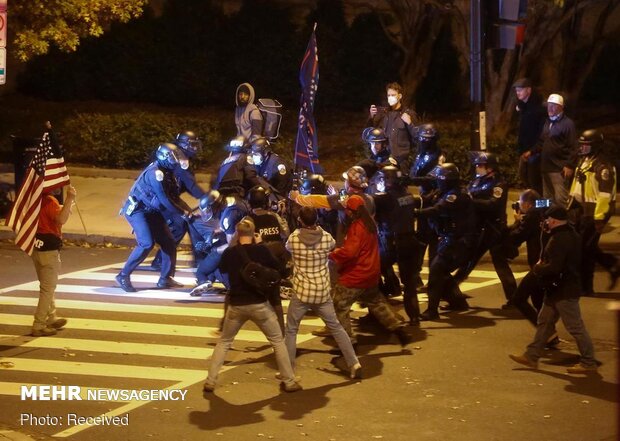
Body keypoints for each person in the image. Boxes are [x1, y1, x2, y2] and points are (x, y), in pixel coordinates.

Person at [203, 220, 302, 393]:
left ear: (236, 233)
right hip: (259, 304)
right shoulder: (261, 250)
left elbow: (223, 270)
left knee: (225, 342)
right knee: (277, 341)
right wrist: (261, 244)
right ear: (254, 232)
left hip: (236, 305)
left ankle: (211, 380)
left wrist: (234, 243)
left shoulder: (230, 252)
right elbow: (279, 267)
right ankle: (289, 381)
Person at [509, 205, 598, 374]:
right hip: (558, 289)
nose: (545, 223)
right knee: (544, 322)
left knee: (575, 327)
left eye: (547, 220)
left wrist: (538, 269)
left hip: (564, 291)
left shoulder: (559, 239)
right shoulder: (570, 233)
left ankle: (588, 361)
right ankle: (531, 356)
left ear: (554, 221)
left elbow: (554, 267)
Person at [284, 207, 362, 379]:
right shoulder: (327, 238)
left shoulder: (294, 239)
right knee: (336, 327)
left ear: (301, 221)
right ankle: (354, 362)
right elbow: (334, 246)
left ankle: (288, 370)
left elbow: (287, 248)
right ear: (316, 219)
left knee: (291, 330)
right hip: (322, 291)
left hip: (302, 292)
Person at [329, 195, 412, 347]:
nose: (346, 212)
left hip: (356, 275)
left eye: (347, 209)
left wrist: (333, 254)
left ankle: (348, 343)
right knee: (377, 304)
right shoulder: (370, 224)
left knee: (338, 306)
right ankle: (399, 330)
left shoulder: (356, 228)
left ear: (352, 211)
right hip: (371, 274)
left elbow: (350, 252)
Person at [116, 143, 190, 292]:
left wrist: (187, 210)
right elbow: (164, 200)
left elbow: (173, 196)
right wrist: (182, 213)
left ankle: (165, 278)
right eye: (172, 157)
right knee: (146, 243)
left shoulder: (168, 172)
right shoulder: (155, 173)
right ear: (163, 157)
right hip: (138, 210)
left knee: (168, 242)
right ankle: (123, 275)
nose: (175, 161)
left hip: (152, 210)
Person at [413, 164, 475, 320]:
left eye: (439, 179)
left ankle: (432, 311)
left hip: (457, 242)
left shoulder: (455, 196)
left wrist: (415, 213)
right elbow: (427, 200)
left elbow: (437, 210)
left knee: (436, 271)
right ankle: (458, 302)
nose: (437, 182)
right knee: (443, 272)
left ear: (446, 180)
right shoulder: (446, 192)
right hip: (450, 239)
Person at [452, 152, 511, 306]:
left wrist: (472, 202)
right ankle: (453, 293)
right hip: (478, 227)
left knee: (500, 263)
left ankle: (514, 299)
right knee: (468, 259)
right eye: (477, 165)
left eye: (480, 165)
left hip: (493, 228)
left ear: (490, 167)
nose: (478, 168)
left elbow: (493, 204)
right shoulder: (477, 181)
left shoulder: (499, 184)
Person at [568, 129, 619, 295]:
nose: (582, 148)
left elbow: (604, 196)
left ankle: (586, 287)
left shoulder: (603, 167)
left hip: (594, 212)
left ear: (595, 146)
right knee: (585, 247)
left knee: (585, 250)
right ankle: (613, 265)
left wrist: (599, 219)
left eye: (585, 145)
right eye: (581, 145)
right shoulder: (585, 160)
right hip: (581, 209)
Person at [373, 166, 422, 324]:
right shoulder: (408, 195)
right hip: (409, 240)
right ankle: (414, 317)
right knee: (409, 284)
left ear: (388, 180)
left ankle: (381, 313)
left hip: (392, 243)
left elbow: (366, 202)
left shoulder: (384, 198)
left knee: (372, 272)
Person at [151, 130, 206, 271]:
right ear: (184, 144)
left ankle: (197, 258)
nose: (195, 148)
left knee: (189, 219)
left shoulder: (182, 157)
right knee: (180, 223)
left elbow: (185, 183)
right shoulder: (177, 158)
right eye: (192, 145)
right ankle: (161, 260)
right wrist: (206, 198)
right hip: (160, 197)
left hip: (170, 196)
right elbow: (190, 184)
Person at [30, 185, 77, 336]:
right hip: (49, 250)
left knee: (46, 285)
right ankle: (39, 324)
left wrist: (63, 206)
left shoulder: (36, 199)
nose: (59, 187)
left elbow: (49, 215)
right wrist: (70, 198)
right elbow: (61, 219)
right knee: (48, 288)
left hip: (37, 248)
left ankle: (51, 317)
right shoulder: (50, 201)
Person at [368, 82, 418, 175]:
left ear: (400, 96)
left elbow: (417, 138)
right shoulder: (383, 114)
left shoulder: (408, 114)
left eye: (393, 95)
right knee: (363, 167)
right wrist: (371, 117)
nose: (390, 97)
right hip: (383, 159)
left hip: (400, 162)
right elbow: (371, 133)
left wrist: (410, 123)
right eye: (389, 95)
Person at [538, 93, 578, 206]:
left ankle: (564, 222)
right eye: (549, 105)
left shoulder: (568, 124)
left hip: (558, 169)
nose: (550, 108)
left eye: (554, 105)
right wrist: (530, 152)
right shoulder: (548, 122)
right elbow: (542, 142)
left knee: (561, 199)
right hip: (545, 167)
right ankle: (548, 221)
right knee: (546, 199)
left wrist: (569, 165)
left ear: (561, 107)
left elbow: (574, 146)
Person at [513, 78, 545, 195]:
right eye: (516, 91)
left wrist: (532, 150)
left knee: (535, 183)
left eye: (520, 90)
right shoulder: (522, 107)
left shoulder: (538, 108)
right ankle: (531, 208)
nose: (518, 93)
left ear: (528, 90)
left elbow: (542, 133)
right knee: (525, 179)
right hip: (525, 151)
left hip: (535, 152)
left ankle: (540, 209)